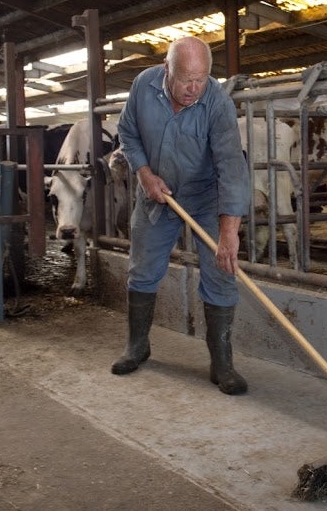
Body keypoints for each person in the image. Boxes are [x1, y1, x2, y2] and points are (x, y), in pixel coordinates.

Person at [111, 36, 251, 395]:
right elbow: (127, 133)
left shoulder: (217, 102)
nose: (193, 89)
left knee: (221, 274)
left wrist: (229, 232)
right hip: (156, 194)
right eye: (186, 78)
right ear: (166, 69)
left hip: (205, 198)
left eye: (201, 79)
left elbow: (232, 167)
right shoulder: (144, 85)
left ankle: (222, 363)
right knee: (142, 270)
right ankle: (137, 346)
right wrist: (144, 174)